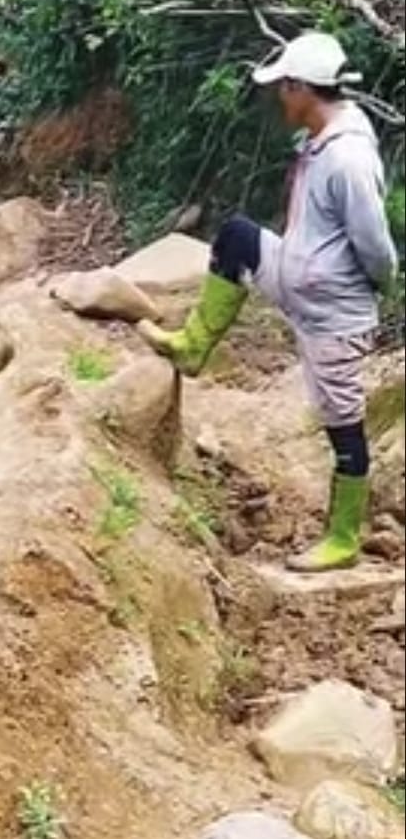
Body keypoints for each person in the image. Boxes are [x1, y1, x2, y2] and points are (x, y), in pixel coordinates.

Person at [138, 31, 399, 572]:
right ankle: (194, 344)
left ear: (303, 88)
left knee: (342, 423)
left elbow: (375, 245)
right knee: (236, 236)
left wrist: (380, 284)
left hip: (334, 307)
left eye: (284, 88)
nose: (279, 97)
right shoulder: (321, 139)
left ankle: (344, 536)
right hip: (302, 277)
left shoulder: (347, 157)